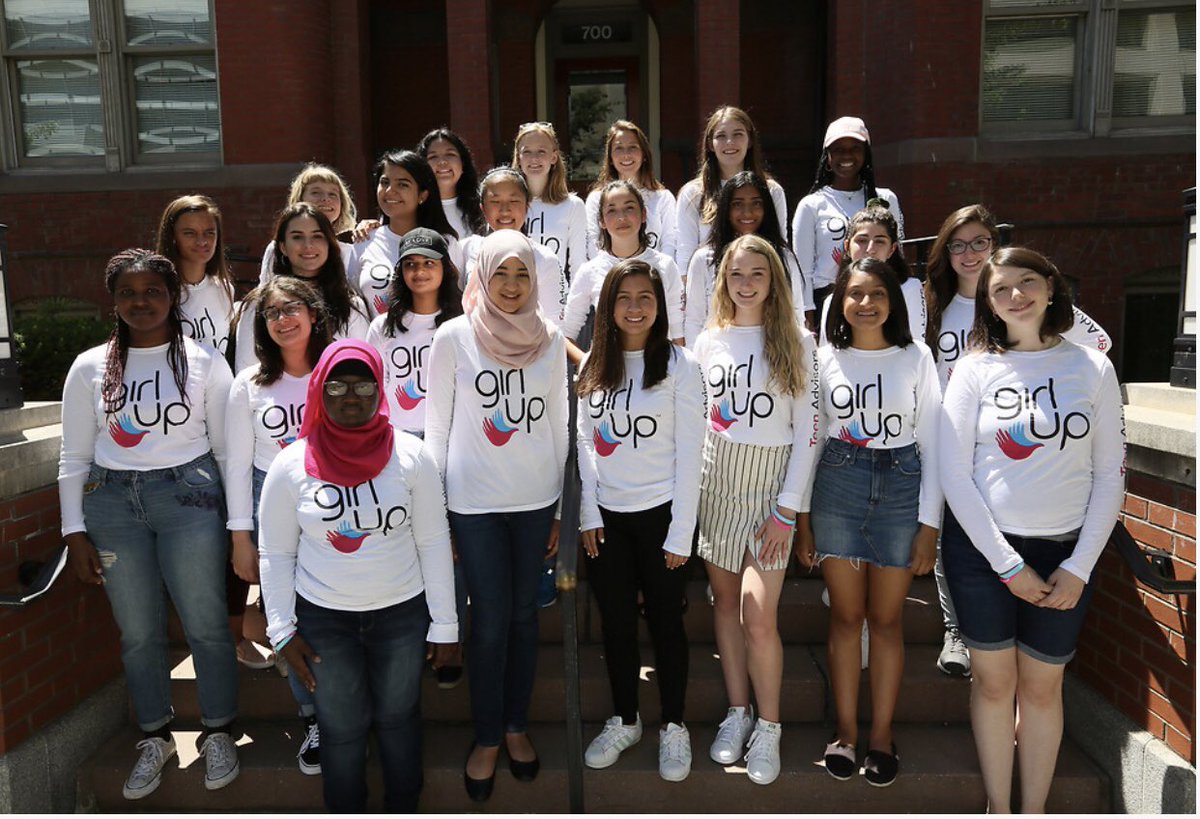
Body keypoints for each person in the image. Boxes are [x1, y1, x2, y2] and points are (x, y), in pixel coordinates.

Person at [939, 247, 1124, 813]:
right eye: (1001, 290)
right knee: (995, 686)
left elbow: (1110, 478)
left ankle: (1034, 809)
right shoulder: (973, 370)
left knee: (1043, 689)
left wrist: (1078, 567)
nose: (1015, 295)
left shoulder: (1092, 368)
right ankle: (999, 804)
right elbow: (955, 474)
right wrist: (1009, 566)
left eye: (1027, 282)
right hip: (983, 555)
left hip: (1067, 555)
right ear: (989, 304)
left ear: (1050, 287)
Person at [59, 248, 238, 799]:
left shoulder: (206, 360)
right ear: (113, 301)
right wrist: (73, 531)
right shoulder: (90, 366)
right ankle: (155, 737)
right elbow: (73, 455)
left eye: (153, 291)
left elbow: (229, 450)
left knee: (205, 622)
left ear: (171, 297)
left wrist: (239, 527)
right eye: (128, 293)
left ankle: (218, 732)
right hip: (112, 507)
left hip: (190, 498)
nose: (141, 302)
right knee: (137, 632)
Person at [258, 340, 457, 812]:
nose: (352, 395)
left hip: (402, 615)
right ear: (318, 392)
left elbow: (432, 541)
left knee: (399, 718)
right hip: (325, 622)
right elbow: (275, 552)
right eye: (338, 385)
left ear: (380, 387)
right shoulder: (290, 464)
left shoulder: (411, 455)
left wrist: (445, 626)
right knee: (341, 728)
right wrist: (282, 629)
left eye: (364, 383)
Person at [923, 204, 1111, 677]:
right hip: (957, 436)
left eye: (980, 242)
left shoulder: (1082, 360)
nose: (970, 253)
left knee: (1038, 680)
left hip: (1032, 472)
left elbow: (1100, 345)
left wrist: (1065, 365)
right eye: (958, 244)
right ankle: (954, 629)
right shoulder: (932, 305)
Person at [424, 231, 568, 802]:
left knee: (524, 618)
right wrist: (437, 511)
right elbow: (436, 429)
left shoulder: (552, 340)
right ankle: (486, 736)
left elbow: (559, 426)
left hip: (535, 503)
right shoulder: (454, 337)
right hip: (473, 505)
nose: (511, 286)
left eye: (522, 275)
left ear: (535, 280)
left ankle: (515, 727)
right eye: (500, 274)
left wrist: (560, 509)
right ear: (481, 276)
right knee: (486, 621)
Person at [796, 256, 941, 787]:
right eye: (854, 294)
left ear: (892, 302)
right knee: (845, 617)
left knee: (885, 620)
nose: (865, 303)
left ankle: (881, 735)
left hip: (902, 485)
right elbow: (811, 437)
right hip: (839, 482)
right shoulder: (825, 358)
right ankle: (846, 732)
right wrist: (804, 519)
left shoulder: (916, 356)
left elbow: (933, 442)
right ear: (839, 301)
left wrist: (930, 524)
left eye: (876, 293)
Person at [692, 235, 819, 785]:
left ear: (773, 282)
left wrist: (788, 510)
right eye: (736, 275)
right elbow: (700, 421)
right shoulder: (708, 340)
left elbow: (810, 433)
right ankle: (737, 712)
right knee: (724, 603)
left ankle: (770, 726)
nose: (746, 284)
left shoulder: (796, 340)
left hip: (771, 490)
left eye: (757, 275)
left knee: (758, 615)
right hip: (716, 482)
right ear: (723, 281)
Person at [576, 259, 705, 781]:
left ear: (660, 306)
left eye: (645, 298)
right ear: (608, 306)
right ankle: (626, 718)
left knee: (668, 624)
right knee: (617, 624)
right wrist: (587, 511)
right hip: (607, 520)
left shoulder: (682, 367)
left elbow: (692, 455)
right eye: (624, 297)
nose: (635, 307)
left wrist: (680, 531)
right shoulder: (592, 367)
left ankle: (674, 725)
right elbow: (584, 443)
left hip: (661, 520)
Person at [225, 276, 333, 775]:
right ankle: (313, 719)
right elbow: (237, 464)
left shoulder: (339, 367)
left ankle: (349, 713)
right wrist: (240, 536)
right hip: (273, 516)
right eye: (272, 313)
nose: (283, 319)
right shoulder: (249, 383)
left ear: (313, 314)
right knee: (285, 620)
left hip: (337, 507)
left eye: (293, 309)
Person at [365, 228, 469, 688]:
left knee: (449, 545)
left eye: (428, 263)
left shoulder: (463, 319)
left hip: (452, 443)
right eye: (410, 264)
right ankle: (416, 639)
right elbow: (374, 391)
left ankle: (452, 640)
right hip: (398, 445)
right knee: (407, 542)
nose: (419, 271)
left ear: (444, 269)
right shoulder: (382, 325)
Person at [232, 203, 370, 373]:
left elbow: (362, 369)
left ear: (329, 243)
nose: (308, 245)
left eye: (317, 236)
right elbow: (247, 371)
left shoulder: (351, 305)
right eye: (297, 237)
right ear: (283, 247)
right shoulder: (258, 304)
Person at [684, 171, 811, 345]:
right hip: (719, 359)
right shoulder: (704, 259)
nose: (747, 212)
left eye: (756, 203)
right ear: (726, 209)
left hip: (773, 355)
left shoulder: (784, 257)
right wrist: (697, 367)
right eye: (737, 204)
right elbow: (694, 320)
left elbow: (795, 312)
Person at [792, 117, 903, 316]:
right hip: (827, 300)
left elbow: (896, 255)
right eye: (838, 149)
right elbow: (802, 270)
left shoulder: (886, 199)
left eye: (855, 148)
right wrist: (807, 313)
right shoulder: (811, 205)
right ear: (827, 156)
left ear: (866, 154)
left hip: (877, 298)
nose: (847, 155)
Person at [563, 180, 684, 362]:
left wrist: (676, 370)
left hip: (658, 373)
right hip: (609, 376)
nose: (621, 217)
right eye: (612, 210)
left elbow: (677, 331)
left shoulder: (665, 265)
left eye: (629, 208)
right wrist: (588, 366)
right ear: (601, 221)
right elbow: (565, 334)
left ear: (644, 215)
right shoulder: (589, 271)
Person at [674, 106, 788, 276]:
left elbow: (780, 248)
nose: (730, 142)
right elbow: (685, 255)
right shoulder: (692, 194)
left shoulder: (772, 191)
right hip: (708, 291)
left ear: (749, 141)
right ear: (710, 144)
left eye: (738, 134)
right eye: (721, 136)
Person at [346, 149, 461, 317]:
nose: (390, 191)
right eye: (384, 182)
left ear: (423, 194)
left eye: (402, 184)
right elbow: (356, 304)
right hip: (379, 340)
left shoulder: (446, 243)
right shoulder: (364, 240)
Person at [458, 167, 566, 323]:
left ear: (527, 206)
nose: (505, 210)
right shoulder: (466, 249)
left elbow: (554, 322)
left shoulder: (544, 258)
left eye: (514, 201)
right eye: (495, 202)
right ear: (482, 208)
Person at [817, 202, 923, 344]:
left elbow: (916, 344)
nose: (870, 249)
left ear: (892, 249)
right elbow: (828, 350)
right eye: (862, 240)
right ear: (847, 246)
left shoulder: (909, 289)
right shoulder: (832, 300)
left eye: (879, 241)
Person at [155, 194, 236, 356]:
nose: (202, 241)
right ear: (172, 237)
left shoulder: (224, 288)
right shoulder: (158, 292)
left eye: (209, 233)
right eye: (189, 233)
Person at [584, 120, 677, 261]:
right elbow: (593, 242)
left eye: (632, 147)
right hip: (610, 276)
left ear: (644, 154)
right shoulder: (596, 199)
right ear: (610, 157)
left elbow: (669, 243)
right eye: (619, 148)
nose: (626, 155)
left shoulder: (663, 198)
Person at [256, 163, 359, 284]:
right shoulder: (277, 248)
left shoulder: (350, 252)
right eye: (316, 192)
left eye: (333, 194)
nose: (326, 199)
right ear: (300, 199)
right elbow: (265, 291)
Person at [511, 121, 588, 282]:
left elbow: (577, 264)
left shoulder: (573, 206)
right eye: (527, 152)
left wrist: (575, 306)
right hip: (513, 299)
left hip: (555, 300)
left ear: (554, 157)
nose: (534, 158)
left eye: (541, 151)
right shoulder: (506, 204)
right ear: (518, 158)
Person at [417, 127, 488, 240]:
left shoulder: (483, 205)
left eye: (450, 154)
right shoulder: (412, 207)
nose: (442, 162)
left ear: (463, 162)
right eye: (433, 157)